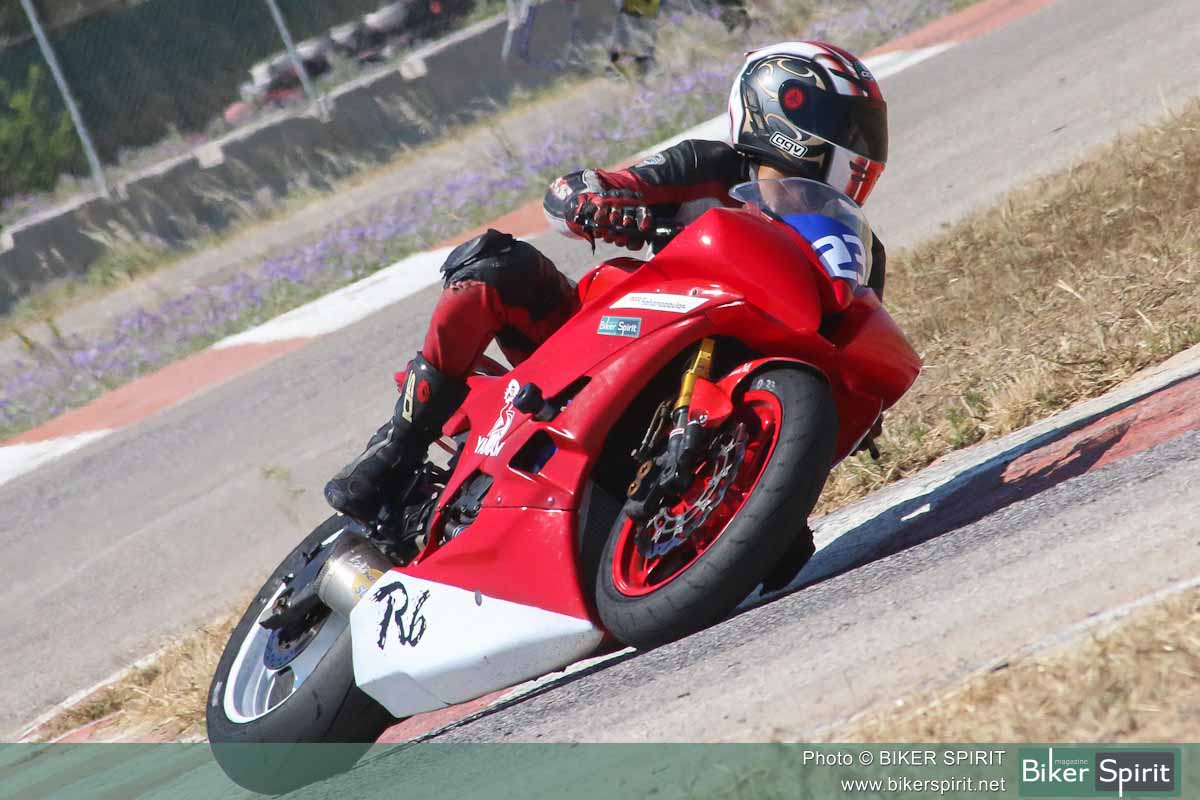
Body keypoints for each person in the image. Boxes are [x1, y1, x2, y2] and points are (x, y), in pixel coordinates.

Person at [324, 41, 891, 539]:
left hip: (728, 383)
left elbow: (850, 335)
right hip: (617, 332)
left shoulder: (856, 244)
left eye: (865, 133)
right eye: (848, 128)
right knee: (493, 268)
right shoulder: (709, 166)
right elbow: (590, 188)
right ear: (783, 107)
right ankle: (397, 445)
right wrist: (596, 201)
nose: (861, 147)